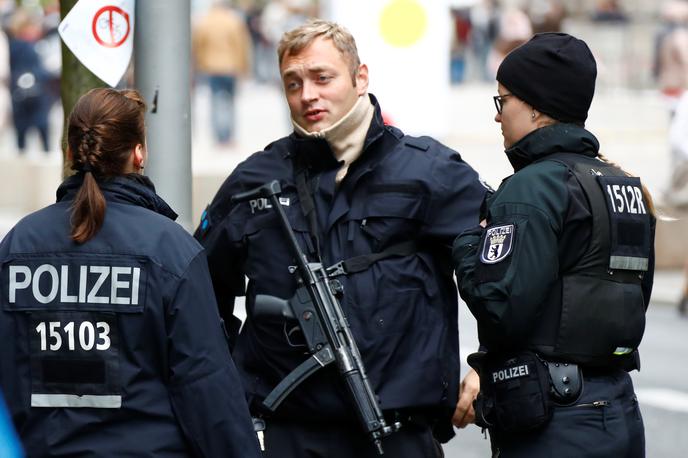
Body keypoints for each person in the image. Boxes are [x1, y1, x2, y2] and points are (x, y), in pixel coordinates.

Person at [194, 19, 488, 458]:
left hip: (400, 431)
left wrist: (489, 361)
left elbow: (503, 270)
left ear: (360, 77)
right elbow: (199, 291)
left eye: (322, 77)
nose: (307, 94)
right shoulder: (255, 180)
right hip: (291, 431)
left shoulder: (430, 171)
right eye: (292, 83)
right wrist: (232, 388)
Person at [0, 88, 261, 457]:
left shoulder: (16, 248)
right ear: (139, 154)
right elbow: (207, 391)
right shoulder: (170, 251)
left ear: (71, 153)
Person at [453, 33, 654, 457]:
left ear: (536, 106)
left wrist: (469, 244)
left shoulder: (532, 188)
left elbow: (501, 309)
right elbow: (636, 296)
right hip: (618, 409)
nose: (498, 116)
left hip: (554, 421)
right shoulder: (624, 184)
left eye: (502, 101)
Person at [192, 0, 251, 146]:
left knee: (216, 101)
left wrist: (198, 64)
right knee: (229, 102)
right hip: (231, 66)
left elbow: (198, 44)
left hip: (211, 67)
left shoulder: (205, 21)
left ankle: (220, 136)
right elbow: (242, 44)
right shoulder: (233, 21)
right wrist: (244, 67)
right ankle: (228, 135)